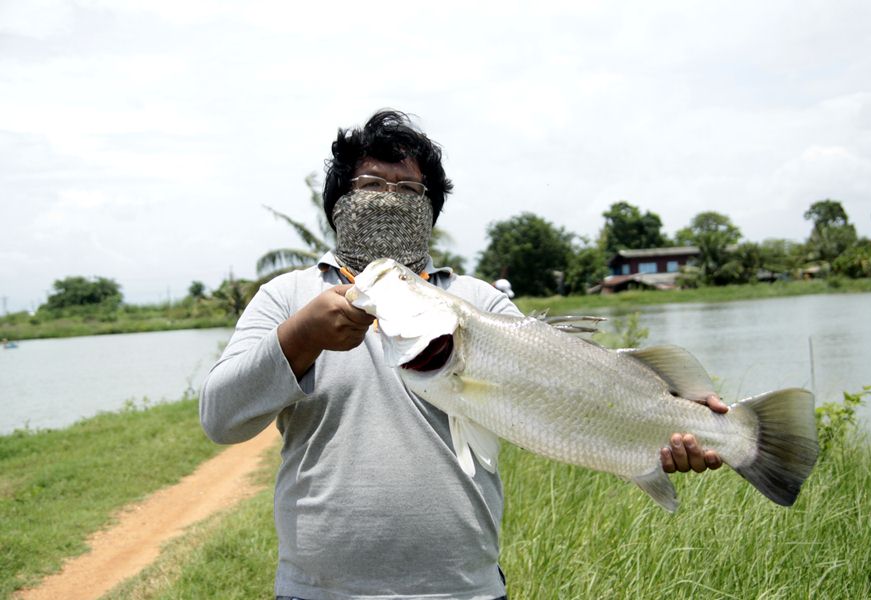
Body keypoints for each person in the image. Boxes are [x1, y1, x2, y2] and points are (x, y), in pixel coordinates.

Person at [200, 110, 725, 600]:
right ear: (338, 201)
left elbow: (567, 388)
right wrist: (299, 338)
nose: (389, 197)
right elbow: (220, 420)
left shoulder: (480, 304)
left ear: (430, 206)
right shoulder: (287, 298)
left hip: (464, 587)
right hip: (316, 590)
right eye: (369, 185)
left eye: (408, 187)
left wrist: (675, 418)